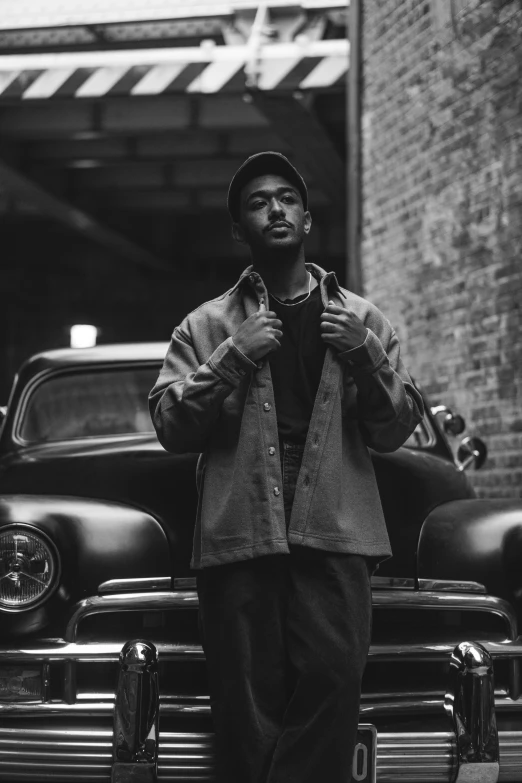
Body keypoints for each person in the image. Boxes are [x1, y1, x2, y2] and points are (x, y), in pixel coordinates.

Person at [149, 151, 424, 783]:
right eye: (257, 202)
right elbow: (170, 427)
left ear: (305, 220)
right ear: (239, 231)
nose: (275, 208)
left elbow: (394, 430)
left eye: (287, 199)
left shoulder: (364, 320)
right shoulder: (205, 325)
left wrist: (366, 356)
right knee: (246, 707)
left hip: (335, 522)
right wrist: (231, 359)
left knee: (333, 684)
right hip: (241, 528)